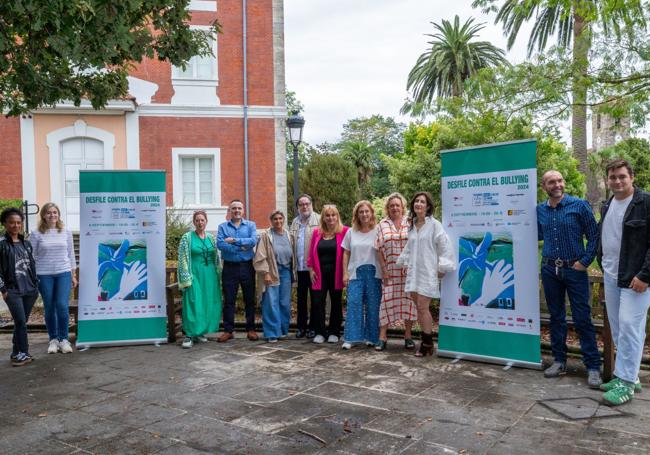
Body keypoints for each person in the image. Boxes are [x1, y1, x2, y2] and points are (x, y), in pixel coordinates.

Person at [537, 170, 602, 388]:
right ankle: (559, 361)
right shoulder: (540, 210)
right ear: (543, 186)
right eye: (551, 182)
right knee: (556, 317)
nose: (557, 184)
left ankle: (593, 366)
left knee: (582, 318)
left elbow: (594, 235)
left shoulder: (579, 206)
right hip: (549, 269)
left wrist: (584, 261)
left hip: (574, 269)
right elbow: (533, 234)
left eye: (559, 180)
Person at [597, 159, 650, 405]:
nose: (617, 181)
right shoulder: (608, 204)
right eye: (613, 177)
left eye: (622, 176)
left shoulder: (645, 202)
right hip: (611, 274)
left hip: (635, 278)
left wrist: (645, 275)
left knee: (630, 326)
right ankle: (627, 375)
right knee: (620, 328)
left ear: (632, 177)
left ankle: (626, 384)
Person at [397, 192, 455, 357]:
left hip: (428, 271)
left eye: (422, 202)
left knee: (423, 307)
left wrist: (442, 267)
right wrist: (404, 262)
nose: (419, 204)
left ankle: (427, 343)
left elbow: (444, 246)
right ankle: (427, 342)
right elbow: (410, 247)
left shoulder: (435, 225)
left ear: (428, 206)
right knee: (419, 308)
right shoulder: (412, 225)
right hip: (414, 272)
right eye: (416, 201)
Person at [29, 203, 77, 355]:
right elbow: (31, 257)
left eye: (55, 212)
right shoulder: (36, 233)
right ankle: (53, 340)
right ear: (43, 215)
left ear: (58, 214)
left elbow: (71, 254)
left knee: (62, 305)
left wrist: (73, 274)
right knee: (49, 307)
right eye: (49, 213)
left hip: (63, 273)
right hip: (43, 274)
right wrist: (33, 276)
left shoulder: (66, 231)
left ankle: (64, 340)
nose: (52, 215)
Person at [375, 193, 417, 351]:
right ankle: (382, 337)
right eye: (391, 205)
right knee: (385, 302)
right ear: (388, 207)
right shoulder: (382, 224)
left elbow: (417, 245)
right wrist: (384, 270)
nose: (394, 208)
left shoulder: (411, 222)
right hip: (390, 272)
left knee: (409, 303)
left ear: (402, 207)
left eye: (397, 205)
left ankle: (408, 336)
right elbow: (378, 248)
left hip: (408, 272)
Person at [177, 211, 222, 349]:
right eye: (197, 220)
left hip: (209, 276)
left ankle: (199, 332)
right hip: (194, 274)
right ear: (194, 222)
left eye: (202, 220)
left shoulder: (211, 237)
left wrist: (218, 273)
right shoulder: (187, 237)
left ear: (206, 221)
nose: (200, 222)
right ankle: (189, 335)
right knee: (193, 302)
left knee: (206, 303)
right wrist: (186, 277)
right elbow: (182, 257)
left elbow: (216, 257)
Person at [341, 201, 382, 350]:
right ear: (357, 215)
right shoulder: (351, 232)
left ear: (371, 213)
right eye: (361, 212)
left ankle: (372, 337)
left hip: (374, 273)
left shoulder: (378, 230)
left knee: (373, 306)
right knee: (354, 304)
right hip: (355, 274)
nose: (364, 214)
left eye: (366, 211)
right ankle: (351, 338)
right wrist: (345, 272)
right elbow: (345, 253)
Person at [0, 207, 38, 366]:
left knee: (20, 322)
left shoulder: (26, 243)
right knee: (21, 321)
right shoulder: (1, 244)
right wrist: (3, 289)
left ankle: (16, 352)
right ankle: (23, 352)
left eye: (18, 222)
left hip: (30, 289)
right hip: (13, 290)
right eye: (11, 223)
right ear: (4, 224)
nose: (15, 226)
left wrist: (36, 284)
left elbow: (31, 265)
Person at [217, 200, 259, 342]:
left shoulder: (251, 225)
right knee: (229, 300)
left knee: (249, 299)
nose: (237, 210)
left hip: (247, 266)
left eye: (239, 208)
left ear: (243, 210)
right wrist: (241, 245)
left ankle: (251, 329)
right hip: (229, 267)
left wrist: (234, 240)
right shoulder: (222, 227)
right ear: (230, 210)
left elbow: (253, 241)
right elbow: (220, 244)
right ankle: (228, 330)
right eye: (234, 208)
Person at [307, 204, 349, 344]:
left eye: (333, 215)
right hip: (319, 274)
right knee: (318, 302)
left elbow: (349, 253)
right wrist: (311, 269)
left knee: (336, 302)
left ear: (337, 216)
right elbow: (311, 253)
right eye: (327, 215)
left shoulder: (345, 231)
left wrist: (347, 272)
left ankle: (334, 332)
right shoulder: (316, 233)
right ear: (323, 218)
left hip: (337, 273)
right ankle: (320, 332)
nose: (331, 218)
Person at [254, 210, 295, 342]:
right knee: (271, 303)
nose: (278, 221)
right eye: (275, 219)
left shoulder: (289, 235)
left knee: (284, 303)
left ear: (283, 220)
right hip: (271, 272)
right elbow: (260, 256)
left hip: (286, 272)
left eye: (280, 218)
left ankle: (282, 330)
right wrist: (265, 273)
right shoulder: (266, 236)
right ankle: (272, 333)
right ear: (271, 221)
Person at [290, 194, 320, 339]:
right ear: (298, 207)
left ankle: (313, 328)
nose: (304, 207)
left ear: (311, 204)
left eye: (307, 203)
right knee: (301, 300)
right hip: (300, 268)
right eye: (301, 204)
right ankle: (301, 327)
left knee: (315, 299)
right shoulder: (294, 222)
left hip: (313, 269)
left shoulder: (319, 220)